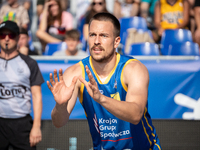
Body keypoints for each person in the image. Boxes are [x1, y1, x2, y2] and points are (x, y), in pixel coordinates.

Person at [47, 12, 162, 150]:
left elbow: (136, 114)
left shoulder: (133, 68)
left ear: (116, 41)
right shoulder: (75, 72)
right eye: (92, 35)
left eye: (104, 36)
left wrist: (101, 98)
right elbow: (59, 122)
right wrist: (60, 106)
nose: (96, 41)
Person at [0, 21, 43, 149]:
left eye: (11, 35)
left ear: (18, 37)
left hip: (22, 124)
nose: (7, 38)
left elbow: (37, 97)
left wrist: (36, 127)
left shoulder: (29, 63)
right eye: (2, 35)